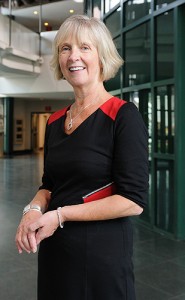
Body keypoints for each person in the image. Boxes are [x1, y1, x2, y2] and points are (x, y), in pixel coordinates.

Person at [15, 14, 148, 300]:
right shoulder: (55, 121)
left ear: (101, 57)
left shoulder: (123, 116)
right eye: (65, 48)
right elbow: (49, 184)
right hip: (55, 251)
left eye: (84, 47)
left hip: (101, 257)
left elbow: (132, 201)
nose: (73, 56)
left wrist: (60, 215)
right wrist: (33, 211)